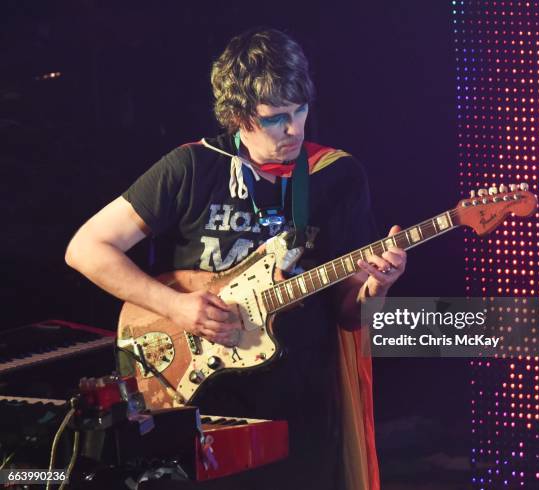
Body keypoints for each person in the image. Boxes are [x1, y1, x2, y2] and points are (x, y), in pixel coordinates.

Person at [65, 28, 406, 490]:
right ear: (237, 116)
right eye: (274, 118)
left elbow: (349, 314)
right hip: (205, 405)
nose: (294, 129)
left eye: (300, 110)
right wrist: (177, 306)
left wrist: (376, 288)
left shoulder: (336, 174)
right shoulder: (189, 167)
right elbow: (86, 249)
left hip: (302, 410)